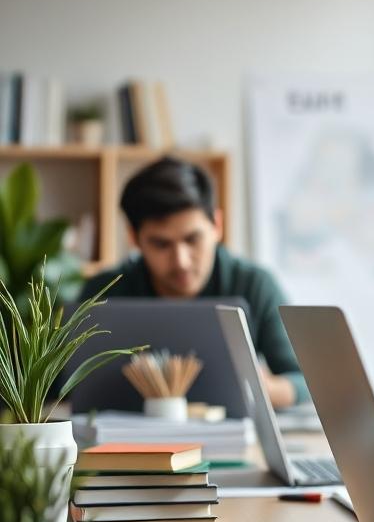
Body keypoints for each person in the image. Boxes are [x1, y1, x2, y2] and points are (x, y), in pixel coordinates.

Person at [79, 156, 309, 409]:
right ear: (134, 238)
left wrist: (270, 389)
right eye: (161, 244)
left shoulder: (255, 285)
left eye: (192, 239)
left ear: (217, 225)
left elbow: (305, 380)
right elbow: (62, 384)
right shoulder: (103, 292)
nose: (181, 261)